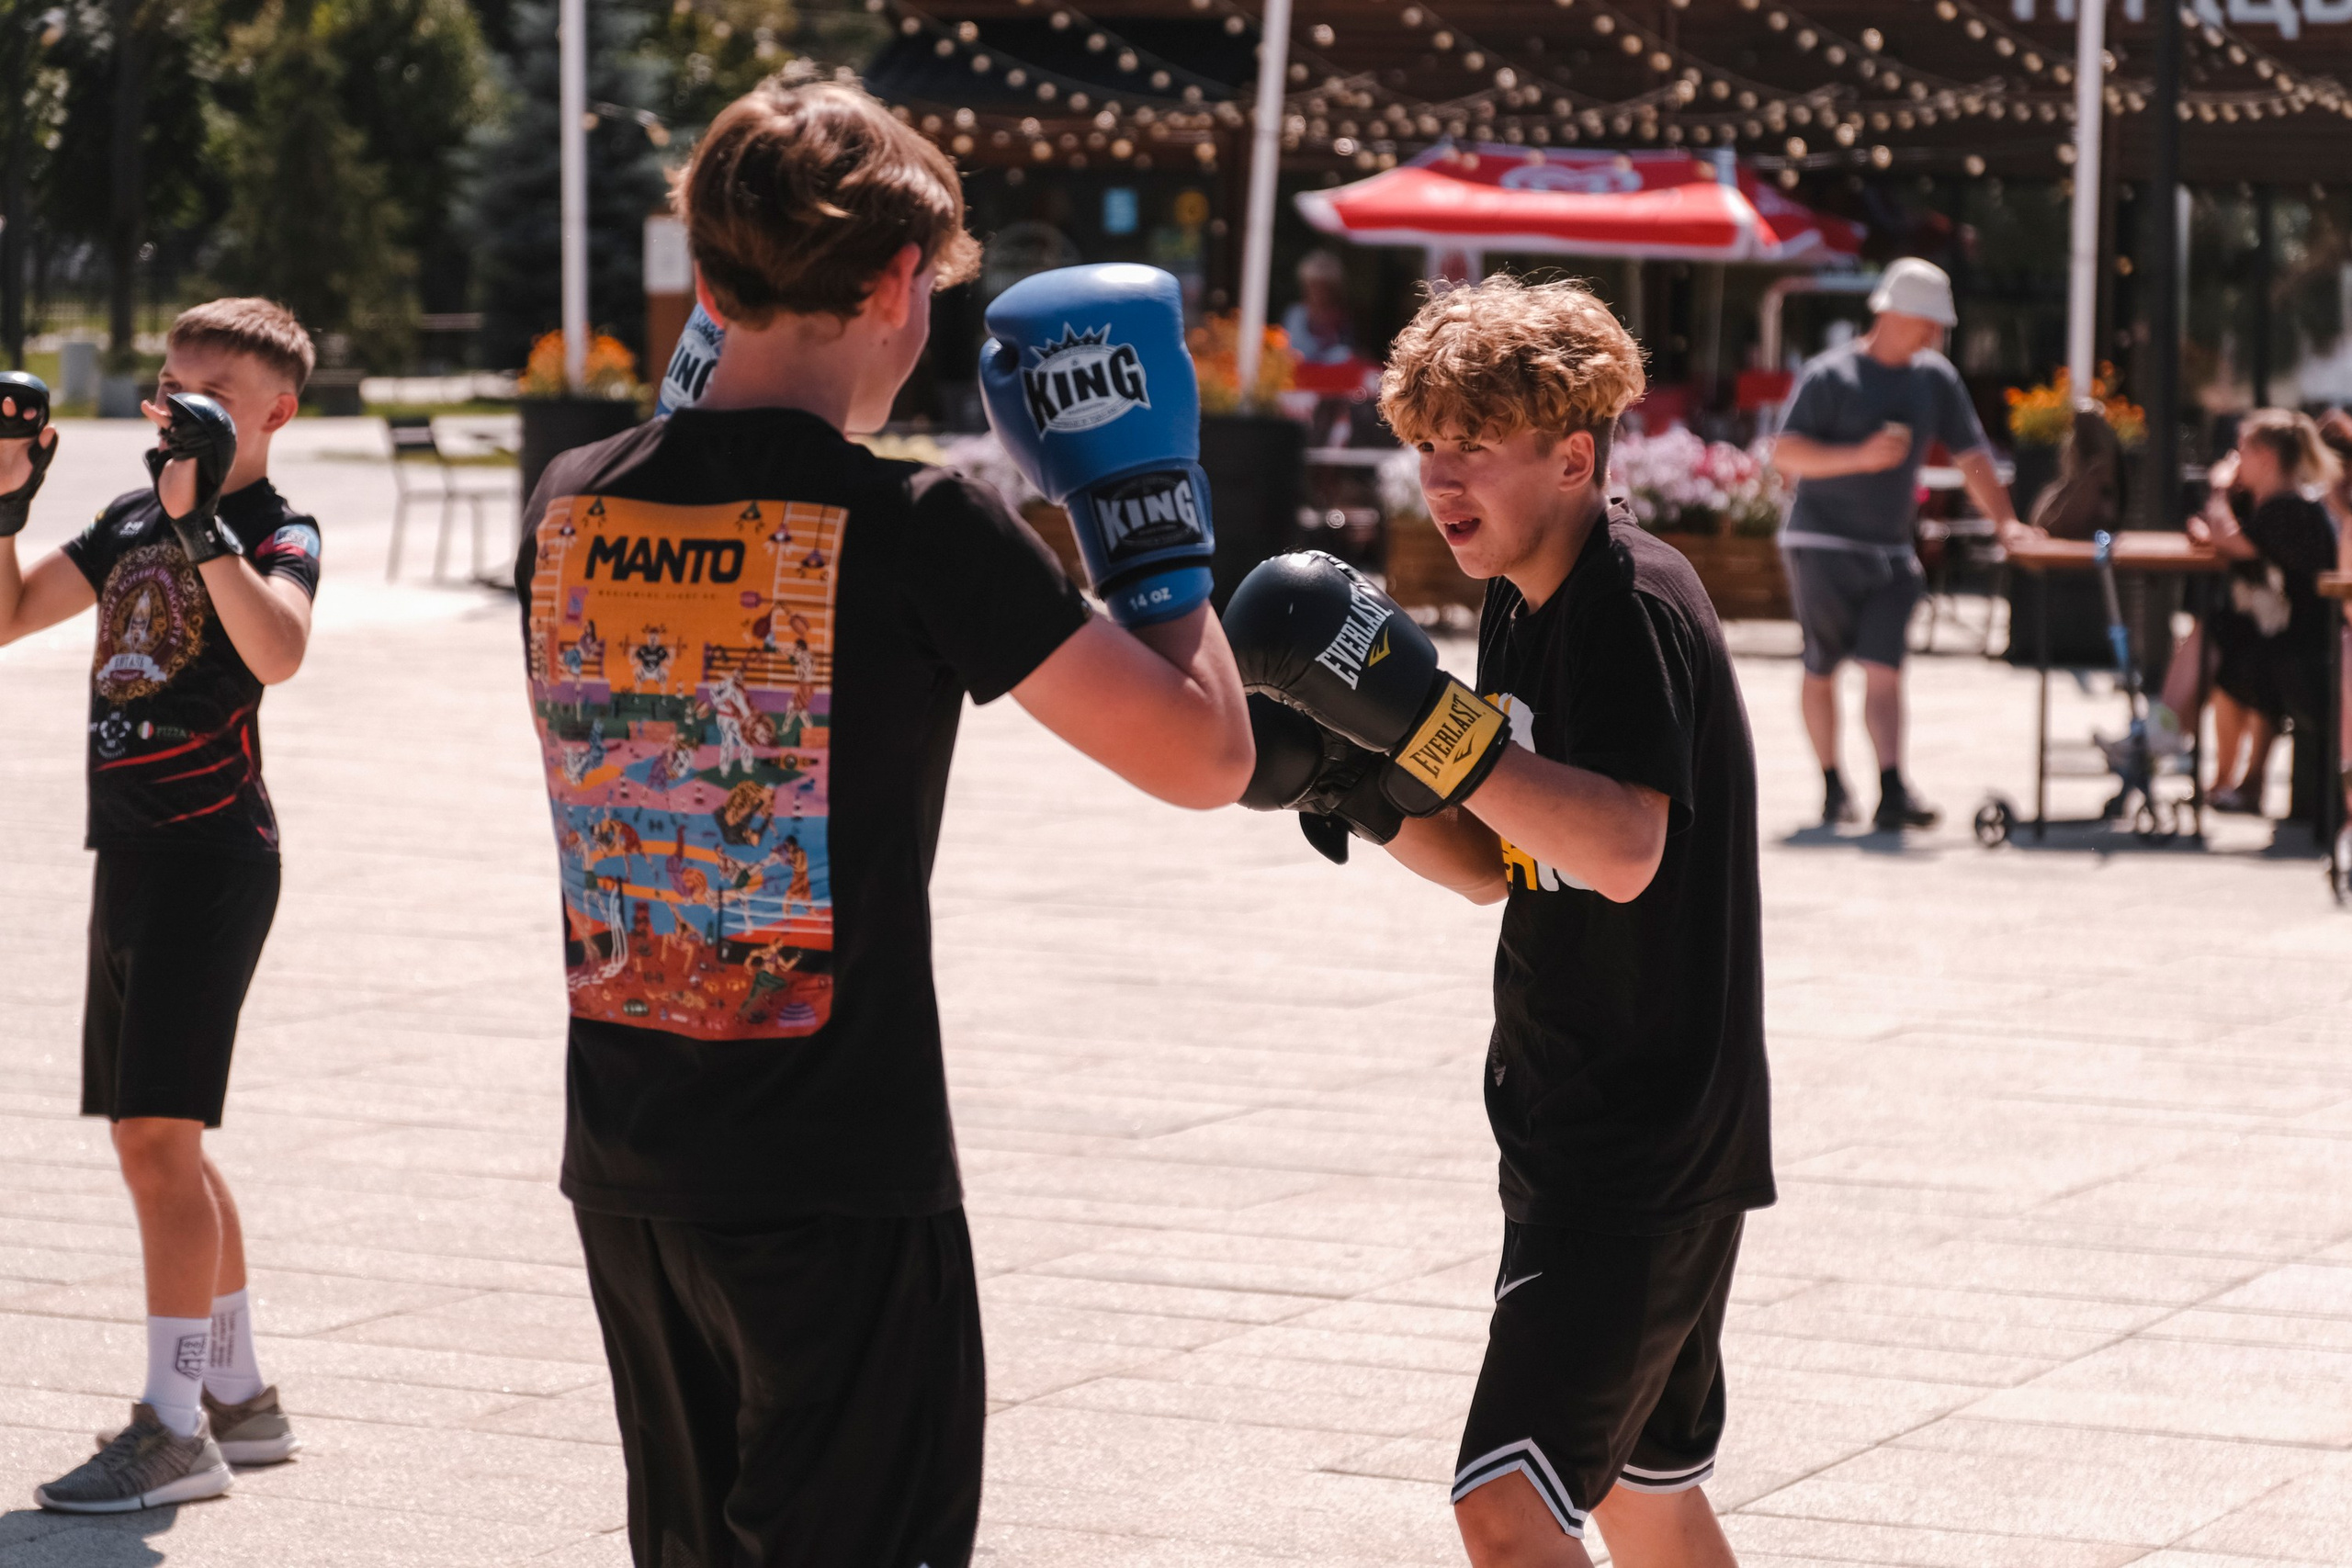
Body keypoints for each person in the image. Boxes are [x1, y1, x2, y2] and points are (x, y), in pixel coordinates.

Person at [516, 80, 1251, 1568]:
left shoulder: (567, 500)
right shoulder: (918, 525)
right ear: (900, 283)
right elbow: (1203, 756)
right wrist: (1147, 513)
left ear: (709, 274)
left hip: (632, 1158)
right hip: (838, 1174)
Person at [1228, 275, 1771, 1568]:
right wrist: (1350, 778)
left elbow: (1628, 845)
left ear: (1573, 455)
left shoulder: (1626, 601)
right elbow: (1496, 859)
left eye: (1474, 445)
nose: (1442, 478)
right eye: (1426, 446)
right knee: (1642, 1497)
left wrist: (1425, 724)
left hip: (1636, 1144)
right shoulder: (1524, 600)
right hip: (1595, 1118)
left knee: (1506, 1504)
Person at [0, 299, 321, 1511]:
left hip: (213, 851)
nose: (179, 413)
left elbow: (278, 649)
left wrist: (207, 533)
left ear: (275, 414)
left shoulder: (274, 524)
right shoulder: (132, 514)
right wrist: (9, 495)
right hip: (127, 849)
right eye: (169, 390)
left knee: (154, 1141)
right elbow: (8, 613)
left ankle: (175, 1421)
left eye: (214, 398)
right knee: (165, 1138)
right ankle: (242, 1395)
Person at [1768, 256, 2034, 831]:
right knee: (1823, 667)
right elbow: (1785, 452)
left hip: (1890, 552)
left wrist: (2006, 523)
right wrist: (1858, 458)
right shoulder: (1828, 374)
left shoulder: (1934, 378)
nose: (1934, 334)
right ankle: (1833, 785)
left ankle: (1891, 788)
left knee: (1885, 668)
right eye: (1927, 321)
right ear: (1891, 313)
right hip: (1821, 545)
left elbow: (1974, 458)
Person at [2154, 410, 2342, 814]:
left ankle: (2167, 735)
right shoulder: (2263, 505)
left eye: (2243, 449)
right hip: (2279, 640)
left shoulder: (2291, 509)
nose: (2235, 457)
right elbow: (2222, 534)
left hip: (2303, 648)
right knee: (2221, 636)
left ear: (2267, 457)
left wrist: (2220, 488)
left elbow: (2231, 540)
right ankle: (2212, 766)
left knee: (2220, 639)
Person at [1282, 248, 1357, 365]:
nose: (1317, 292)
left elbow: (1347, 353)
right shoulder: (1295, 314)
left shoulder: (1341, 317)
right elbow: (1286, 351)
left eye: (1322, 286)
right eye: (1313, 285)